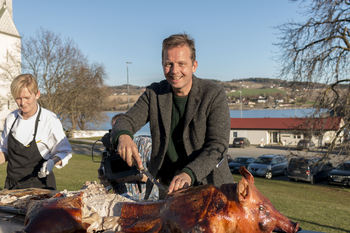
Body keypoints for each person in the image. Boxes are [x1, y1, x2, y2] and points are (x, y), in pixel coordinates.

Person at [111, 33, 233, 199]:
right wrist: (123, 136)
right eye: (169, 64)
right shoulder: (154, 94)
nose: (175, 71)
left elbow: (217, 146)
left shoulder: (213, 94)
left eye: (181, 64)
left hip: (210, 189)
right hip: (169, 191)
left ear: (194, 66)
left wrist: (189, 173)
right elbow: (126, 120)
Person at [0, 74, 72, 190]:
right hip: (12, 188)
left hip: (41, 188)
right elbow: (5, 151)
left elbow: (65, 151)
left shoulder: (50, 120)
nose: (22, 103)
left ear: (37, 94)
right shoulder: (11, 119)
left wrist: (52, 162)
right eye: (18, 98)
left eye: (27, 98)